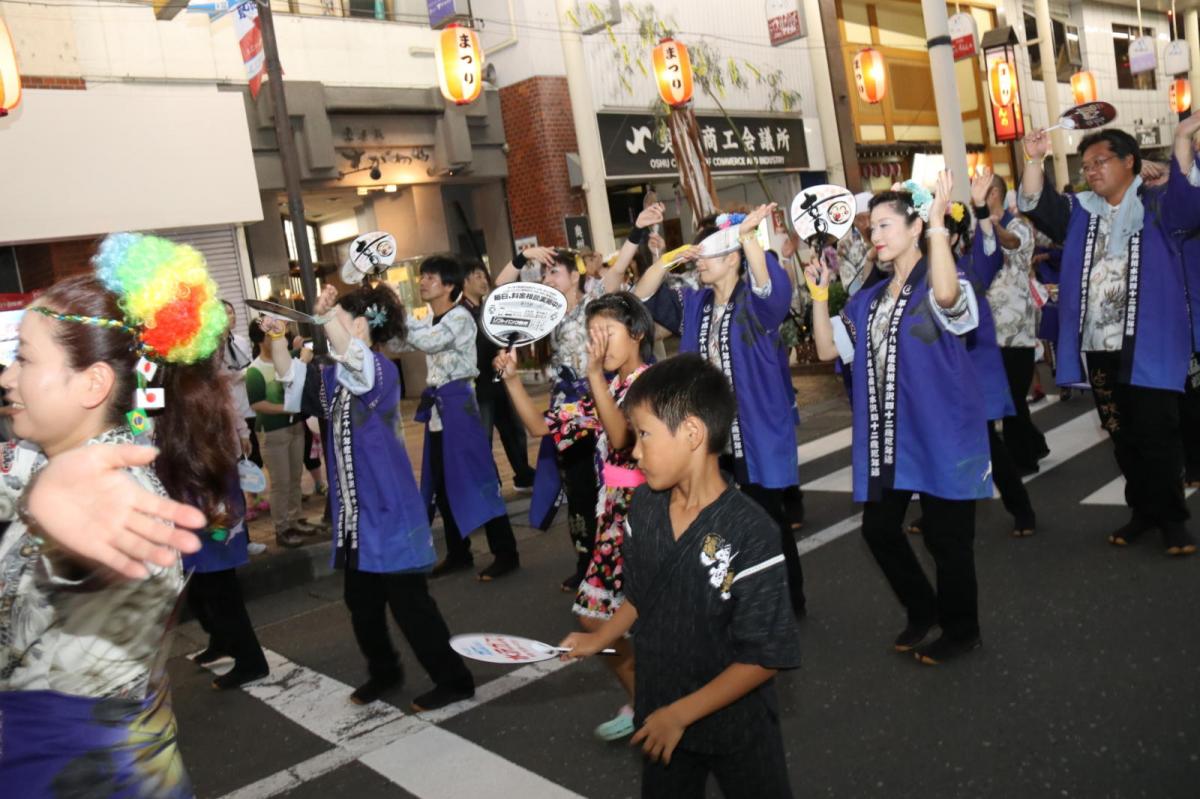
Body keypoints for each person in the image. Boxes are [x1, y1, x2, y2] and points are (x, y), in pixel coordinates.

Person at [0, 232, 236, 796]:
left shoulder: (117, 511)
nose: (7, 377)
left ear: (94, 383)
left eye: (24, 358)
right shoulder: (43, 462)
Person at [561, 354, 801, 798]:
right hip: (660, 713)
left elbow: (765, 657)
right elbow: (640, 594)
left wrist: (682, 714)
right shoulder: (646, 509)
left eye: (645, 435)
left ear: (692, 433)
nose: (634, 450)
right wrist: (601, 637)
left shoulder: (752, 532)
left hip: (736, 724)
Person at [267, 283, 477, 711]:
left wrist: (326, 319)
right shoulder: (334, 376)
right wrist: (274, 337)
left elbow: (358, 364)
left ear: (360, 325)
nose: (330, 330)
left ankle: (455, 679)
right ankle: (385, 671)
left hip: (389, 509)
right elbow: (289, 377)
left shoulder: (379, 370)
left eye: (340, 321)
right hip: (358, 516)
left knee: (409, 603)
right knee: (360, 602)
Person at [808, 173, 990, 664]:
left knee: (948, 539)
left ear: (915, 228)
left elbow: (950, 301)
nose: (877, 236)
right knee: (878, 529)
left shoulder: (940, 277)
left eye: (887, 225)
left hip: (942, 430)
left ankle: (962, 628)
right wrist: (820, 297)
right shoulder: (869, 300)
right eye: (873, 229)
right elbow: (828, 348)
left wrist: (937, 229)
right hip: (891, 435)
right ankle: (923, 607)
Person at [1018, 116, 1200, 555]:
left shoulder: (1157, 204)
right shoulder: (1082, 211)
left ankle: (1173, 520)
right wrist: (1033, 158)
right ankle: (1143, 511)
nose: (1092, 171)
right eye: (1087, 165)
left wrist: (1180, 139)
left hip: (1150, 344)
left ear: (1129, 162)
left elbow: (1190, 204)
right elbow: (1037, 203)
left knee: (1158, 434)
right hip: (1099, 346)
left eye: (1101, 161)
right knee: (1121, 434)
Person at [634, 204, 808, 619]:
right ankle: (732, 598)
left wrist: (748, 237)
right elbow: (642, 295)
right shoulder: (695, 303)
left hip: (756, 428)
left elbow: (772, 290)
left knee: (767, 518)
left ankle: (787, 599)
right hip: (709, 434)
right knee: (716, 520)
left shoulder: (757, 303)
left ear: (732, 257)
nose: (700, 262)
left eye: (709, 253)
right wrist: (672, 256)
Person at [497, 292, 651, 740]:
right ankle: (646, 699)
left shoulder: (651, 381)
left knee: (639, 620)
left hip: (646, 521)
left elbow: (622, 436)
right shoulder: (602, 387)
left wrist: (591, 377)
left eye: (607, 333)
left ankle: (663, 700)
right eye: (591, 335)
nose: (596, 343)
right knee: (596, 618)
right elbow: (542, 426)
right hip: (614, 524)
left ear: (637, 333)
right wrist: (510, 382)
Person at [494, 222, 633, 590]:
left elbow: (618, 271)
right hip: (566, 407)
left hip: (599, 401)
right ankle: (587, 561)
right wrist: (522, 257)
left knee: (612, 482)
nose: (548, 276)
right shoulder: (545, 313)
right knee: (578, 490)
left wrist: (636, 232)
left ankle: (621, 558)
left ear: (576, 276)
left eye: (555, 270)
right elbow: (500, 291)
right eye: (545, 271)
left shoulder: (594, 303)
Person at [404, 255, 520, 581]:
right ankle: (458, 552)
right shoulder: (429, 318)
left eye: (430, 277)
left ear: (449, 285)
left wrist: (397, 320)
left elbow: (428, 342)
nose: (423, 282)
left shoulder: (459, 318)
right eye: (422, 277)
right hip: (440, 411)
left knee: (479, 479)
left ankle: (506, 551)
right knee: (441, 484)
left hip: (459, 405)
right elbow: (404, 340)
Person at [184, 327, 270, 690]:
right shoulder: (182, 386)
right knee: (201, 582)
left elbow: (215, 447)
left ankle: (250, 659)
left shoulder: (201, 389)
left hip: (210, 493)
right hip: (193, 492)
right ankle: (221, 640)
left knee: (219, 584)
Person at [971, 169, 1049, 473]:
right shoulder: (978, 228)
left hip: (1017, 329)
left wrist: (989, 223)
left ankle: (1024, 459)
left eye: (982, 191)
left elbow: (1013, 243)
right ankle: (1034, 445)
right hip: (988, 330)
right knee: (1004, 396)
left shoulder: (1017, 224)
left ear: (993, 194)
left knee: (1014, 395)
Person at [461, 259, 536, 493]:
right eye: (478, 276)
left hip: (500, 380)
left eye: (485, 276)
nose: (484, 281)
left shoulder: (488, 308)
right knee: (482, 436)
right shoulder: (460, 314)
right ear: (465, 281)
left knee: (514, 430)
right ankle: (490, 481)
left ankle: (523, 474)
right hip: (479, 386)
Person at [246, 321, 312, 548]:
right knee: (280, 482)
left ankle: (295, 519)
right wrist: (286, 408)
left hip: (295, 426)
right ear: (259, 341)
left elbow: (305, 355)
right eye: (269, 336)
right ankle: (282, 528)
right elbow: (257, 404)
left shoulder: (287, 358)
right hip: (272, 431)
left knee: (295, 476)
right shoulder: (254, 370)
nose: (274, 339)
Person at [836, 192, 877, 296]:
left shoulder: (888, 236)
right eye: (861, 219)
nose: (868, 224)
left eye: (870, 217)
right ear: (854, 221)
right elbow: (853, 290)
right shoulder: (846, 245)